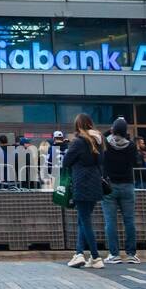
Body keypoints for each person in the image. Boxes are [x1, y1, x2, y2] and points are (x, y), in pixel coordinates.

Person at [63, 113, 105, 270]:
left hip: (81, 183)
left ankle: (95, 256)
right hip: (95, 183)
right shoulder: (99, 140)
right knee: (83, 219)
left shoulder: (79, 142)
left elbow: (66, 161)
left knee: (85, 221)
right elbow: (101, 161)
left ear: (78, 126)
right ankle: (79, 253)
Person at [100, 117, 142, 265]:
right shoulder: (130, 146)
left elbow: (102, 136)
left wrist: (110, 131)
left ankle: (114, 254)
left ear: (112, 130)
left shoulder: (106, 143)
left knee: (110, 221)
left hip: (109, 185)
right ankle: (131, 254)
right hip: (127, 185)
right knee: (129, 220)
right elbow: (137, 161)